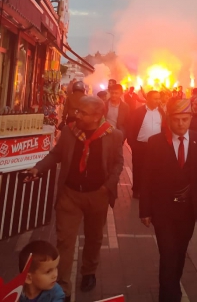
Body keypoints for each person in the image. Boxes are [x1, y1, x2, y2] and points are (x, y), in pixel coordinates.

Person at [27, 96, 124, 299]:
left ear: (97, 116)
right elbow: (56, 155)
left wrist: (107, 187)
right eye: (77, 110)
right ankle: (62, 286)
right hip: (69, 195)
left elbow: (118, 163)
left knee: (94, 237)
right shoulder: (70, 132)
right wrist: (38, 168)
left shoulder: (113, 135)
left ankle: (88, 272)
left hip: (98, 195)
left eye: (83, 112)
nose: (76, 115)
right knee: (65, 241)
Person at [139, 99, 197, 302]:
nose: (181, 124)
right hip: (163, 211)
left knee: (180, 253)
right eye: (177, 120)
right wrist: (145, 210)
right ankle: (168, 296)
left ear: (190, 119)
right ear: (169, 120)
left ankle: (174, 289)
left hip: (188, 211)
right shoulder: (156, 142)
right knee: (168, 255)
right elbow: (146, 178)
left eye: (185, 119)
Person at [126, 90, 167, 198]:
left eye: (159, 98)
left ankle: (151, 190)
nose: (158, 101)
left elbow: (164, 128)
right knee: (139, 168)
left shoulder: (161, 112)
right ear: (148, 99)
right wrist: (132, 144)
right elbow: (130, 128)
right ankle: (137, 190)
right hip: (140, 145)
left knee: (154, 169)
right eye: (155, 98)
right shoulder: (138, 112)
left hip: (156, 147)